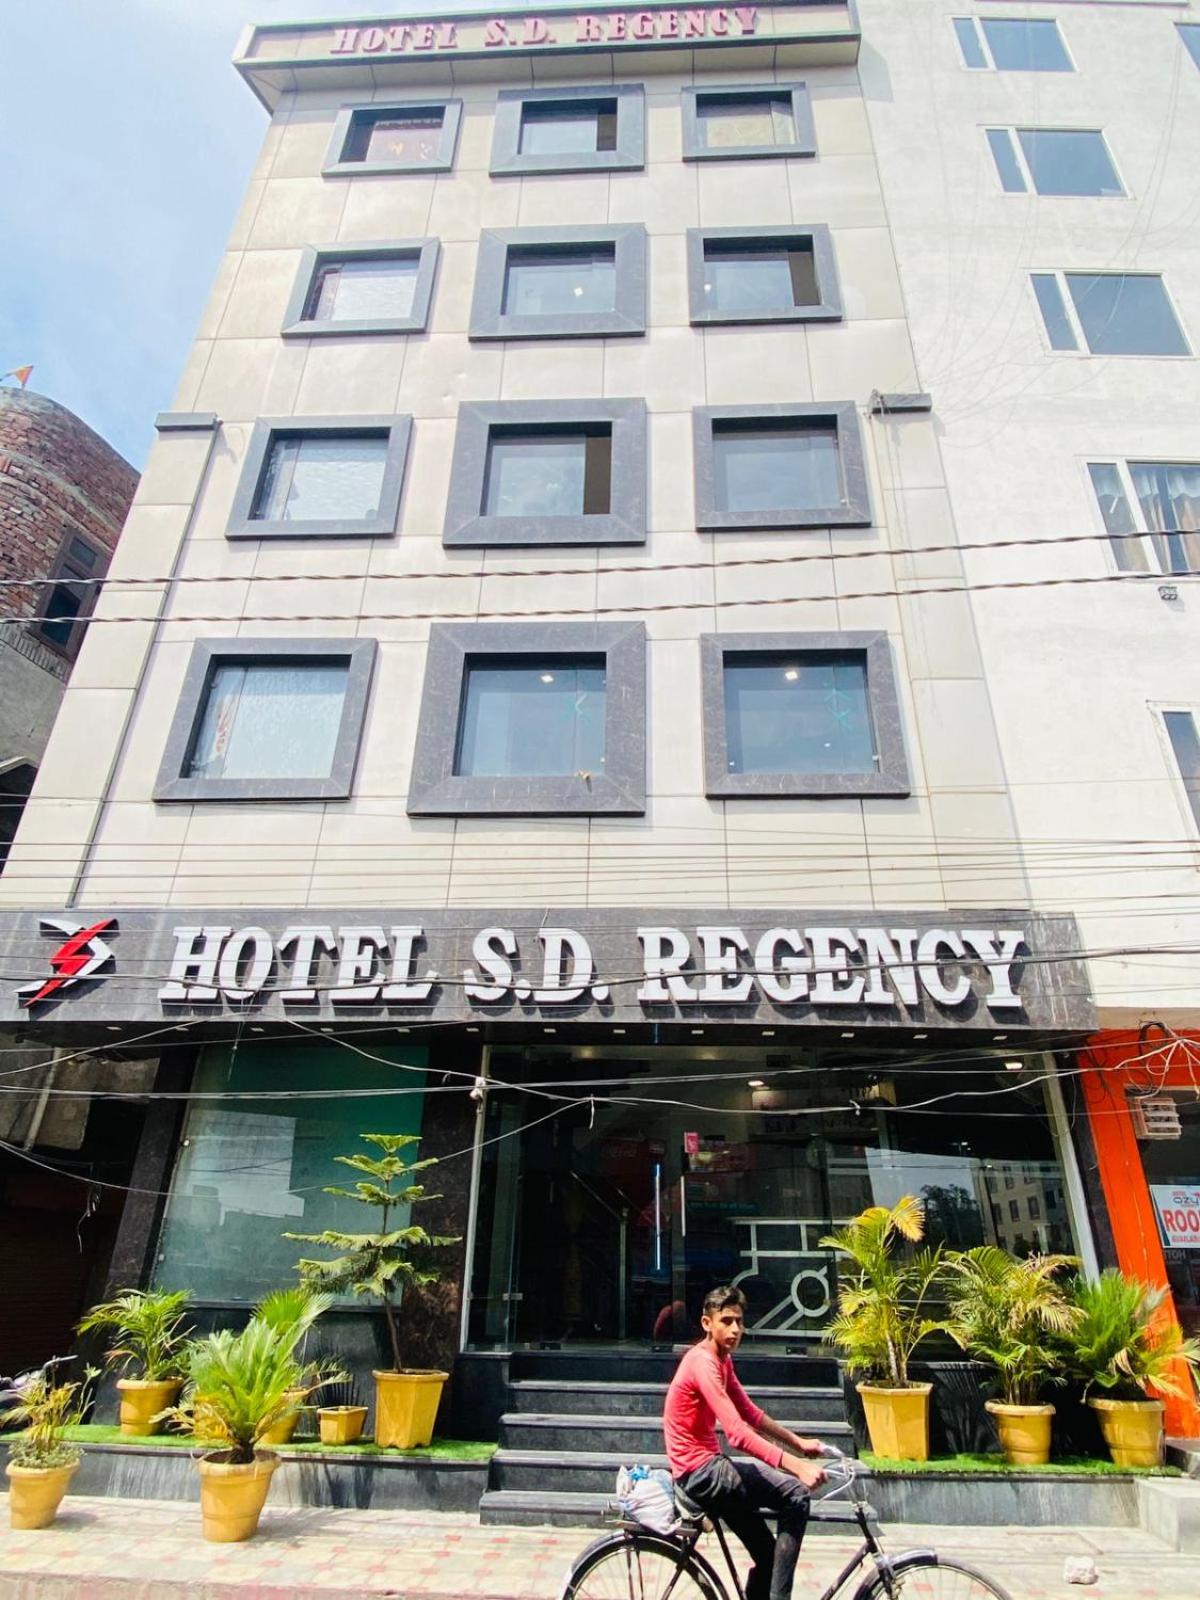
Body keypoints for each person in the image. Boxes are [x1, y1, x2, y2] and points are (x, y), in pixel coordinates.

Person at [663, 1285, 827, 1600]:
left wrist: (799, 1443)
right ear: (707, 1323)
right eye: (726, 1321)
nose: (735, 1329)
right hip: (702, 1474)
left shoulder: (722, 1360)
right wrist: (797, 1467)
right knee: (796, 1495)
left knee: (767, 1557)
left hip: (708, 1471)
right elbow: (737, 1433)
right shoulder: (703, 1363)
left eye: (739, 1321)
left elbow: (750, 1413)